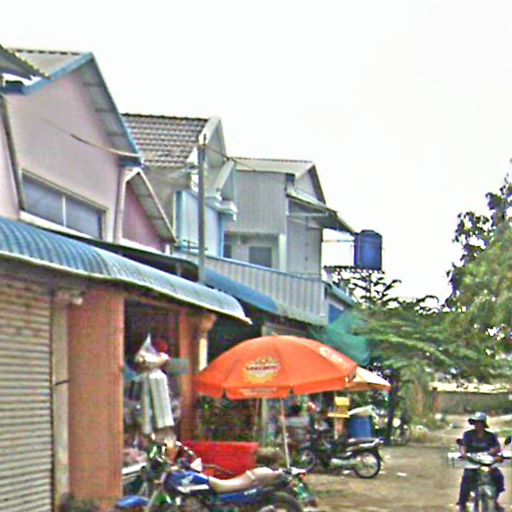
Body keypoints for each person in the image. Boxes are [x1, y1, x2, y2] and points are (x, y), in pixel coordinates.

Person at [457, 412, 505, 511]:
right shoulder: (468, 435)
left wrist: (494, 452)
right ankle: (462, 504)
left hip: (487, 463)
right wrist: (463, 453)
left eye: (479, 423)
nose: (477, 425)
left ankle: (494, 500)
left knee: (498, 477)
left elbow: (497, 447)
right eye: (475, 423)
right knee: (467, 478)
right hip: (473, 463)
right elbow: (463, 446)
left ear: (483, 424)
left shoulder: (491, 436)